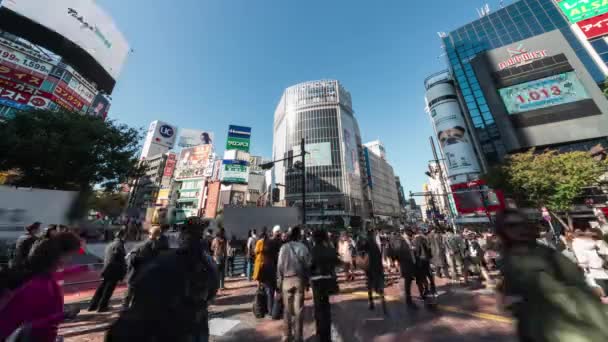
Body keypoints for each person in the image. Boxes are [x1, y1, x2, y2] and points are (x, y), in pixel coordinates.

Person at [497, 209, 608, 342]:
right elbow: (510, 299)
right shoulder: (508, 260)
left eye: (522, 223)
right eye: (511, 225)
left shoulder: (545, 254)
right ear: (502, 231)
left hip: (571, 325)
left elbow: (579, 287)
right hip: (537, 327)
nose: (518, 229)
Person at [105, 217, 219, 342]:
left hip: (159, 324)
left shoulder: (161, 259)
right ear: (202, 234)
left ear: (182, 235)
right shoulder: (208, 262)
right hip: (191, 324)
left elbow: (141, 290)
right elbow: (212, 291)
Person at [0, 232, 82, 341]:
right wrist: (64, 315)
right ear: (57, 257)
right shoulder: (36, 285)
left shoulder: (45, 279)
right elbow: (23, 325)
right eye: (69, 255)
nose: (70, 259)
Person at [277, 226, 311, 342]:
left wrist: (279, 284)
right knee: (299, 310)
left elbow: (279, 267)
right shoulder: (303, 248)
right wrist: (307, 282)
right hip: (298, 280)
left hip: (286, 280)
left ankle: (286, 335)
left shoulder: (283, 248)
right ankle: (298, 337)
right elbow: (308, 265)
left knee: (287, 309)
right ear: (298, 236)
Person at [122, 226, 168, 309]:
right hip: (144, 274)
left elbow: (131, 260)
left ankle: (126, 307)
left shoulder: (141, 245)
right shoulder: (157, 247)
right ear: (158, 235)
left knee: (130, 292)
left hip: (135, 273)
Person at [310, 229, 339, 342]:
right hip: (328, 281)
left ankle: (320, 334)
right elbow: (336, 262)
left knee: (318, 309)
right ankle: (327, 336)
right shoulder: (330, 249)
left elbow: (310, 265)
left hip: (317, 282)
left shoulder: (312, 250)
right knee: (326, 308)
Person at [88, 230, 127, 312]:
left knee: (101, 288)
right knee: (108, 290)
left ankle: (93, 305)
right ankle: (102, 306)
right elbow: (121, 259)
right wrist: (124, 271)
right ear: (122, 236)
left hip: (107, 269)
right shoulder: (119, 245)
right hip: (114, 271)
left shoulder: (110, 244)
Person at [572, 228, 608, 299]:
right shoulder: (581, 245)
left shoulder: (599, 243)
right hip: (595, 272)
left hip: (601, 271)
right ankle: (604, 297)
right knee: (597, 285)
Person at [361, 228, 387, 314]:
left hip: (370, 268)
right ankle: (382, 300)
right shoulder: (375, 243)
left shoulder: (367, 242)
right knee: (379, 284)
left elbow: (362, 252)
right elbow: (379, 255)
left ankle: (371, 302)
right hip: (377, 268)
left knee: (369, 285)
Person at [258, 225, 283, 316]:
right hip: (272, 269)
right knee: (273, 290)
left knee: (268, 290)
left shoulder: (264, 244)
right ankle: (273, 310)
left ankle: (269, 310)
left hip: (264, 269)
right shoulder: (275, 243)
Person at [399, 228, 425, 309]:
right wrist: (410, 249)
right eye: (410, 233)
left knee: (417, 278)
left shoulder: (410, 239)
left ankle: (421, 294)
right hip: (407, 264)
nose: (412, 234)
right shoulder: (401, 240)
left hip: (414, 262)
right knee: (408, 282)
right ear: (407, 232)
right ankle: (408, 298)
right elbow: (399, 252)